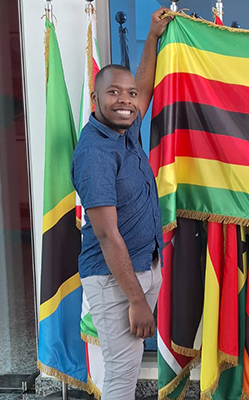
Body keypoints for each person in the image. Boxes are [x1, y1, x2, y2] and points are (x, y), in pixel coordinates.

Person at [70, 7, 173, 400]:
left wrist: (151, 38)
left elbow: (144, 88)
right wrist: (136, 300)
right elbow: (107, 234)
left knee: (126, 371)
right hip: (115, 281)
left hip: (141, 267)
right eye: (114, 93)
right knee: (121, 375)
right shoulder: (95, 152)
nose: (127, 101)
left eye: (128, 94)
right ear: (95, 98)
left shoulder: (124, 129)